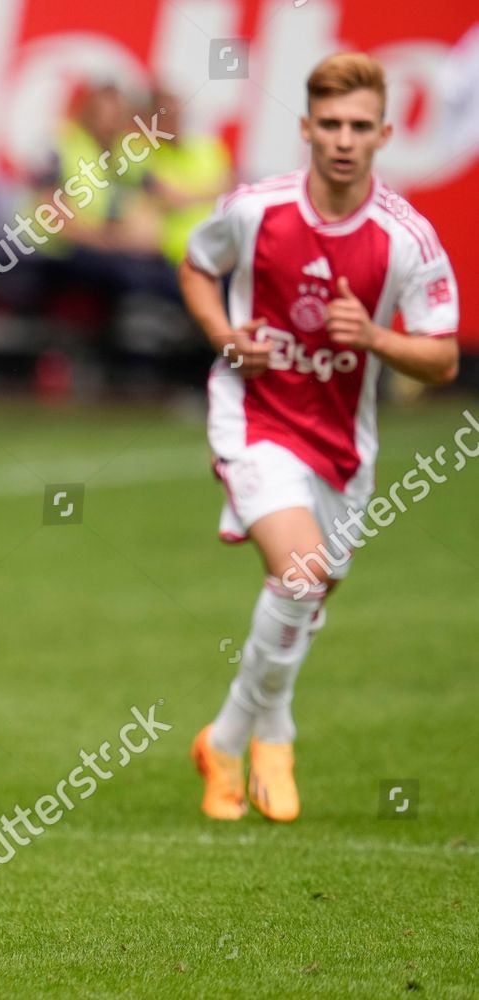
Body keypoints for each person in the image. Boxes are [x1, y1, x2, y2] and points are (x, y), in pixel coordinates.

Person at [182, 52, 460, 822]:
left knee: (310, 595)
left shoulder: (406, 238)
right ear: (304, 127)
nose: (343, 139)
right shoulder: (256, 208)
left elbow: (442, 356)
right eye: (330, 124)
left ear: (385, 134)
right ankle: (266, 740)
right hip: (255, 417)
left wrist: (373, 336)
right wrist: (225, 336)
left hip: (344, 443)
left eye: (360, 126)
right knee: (300, 577)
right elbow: (198, 267)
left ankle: (238, 730)